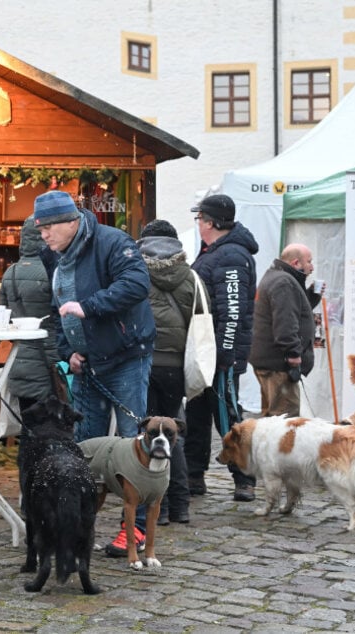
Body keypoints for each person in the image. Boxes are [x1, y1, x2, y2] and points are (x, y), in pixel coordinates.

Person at [35, 190, 156, 557]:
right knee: (87, 448)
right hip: (86, 363)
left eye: (48, 227)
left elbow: (137, 285)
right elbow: (57, 309)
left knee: (134, 444)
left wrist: (89, 306)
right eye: (39, 229)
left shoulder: (112, 242)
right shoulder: (51, 254)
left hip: (125, 356)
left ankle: (135, 528)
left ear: (71, 222)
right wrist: (67, 351)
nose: (43, 235)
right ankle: (78, 526)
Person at [184, 194, 259, 502]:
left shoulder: (230, 256)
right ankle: (193, 474)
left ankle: (244, 477)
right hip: (207, 353)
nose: (198, 224)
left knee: (227, 417)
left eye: (199, 219)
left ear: (211, 223)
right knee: (197, 414)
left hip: (220, 355)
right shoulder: (215, 252)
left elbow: (232, 310)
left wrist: (224, 356)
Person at [0, 215, 61, 514]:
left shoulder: (10, 272)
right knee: (51, 435)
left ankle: (27, 496)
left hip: (19, 363)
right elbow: (54, 323)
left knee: (28, 435)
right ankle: (45, 497)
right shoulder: (52, 270)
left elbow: (8, 317)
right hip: (46, 365)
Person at [136, 219, 194, 525]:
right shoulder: (190, 276)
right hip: (176, 365)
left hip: (143, 361)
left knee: (148, 434)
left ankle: (158, 508)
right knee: (172, 432)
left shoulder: (135, 272)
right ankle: (180, 505)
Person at [249, 243, 321, 417]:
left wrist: (311, 297)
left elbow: (293, 311)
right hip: (279, 365)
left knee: (272, 418)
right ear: (296, 263)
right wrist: (293, 353)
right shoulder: (283, 282)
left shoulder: (278, 277)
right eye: (309, 262)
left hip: (271, 362)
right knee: (285, 420)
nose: (312, 267)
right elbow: (285, 321)